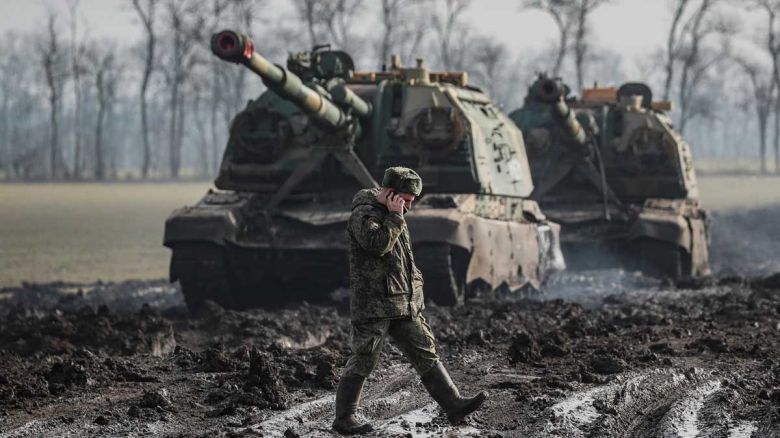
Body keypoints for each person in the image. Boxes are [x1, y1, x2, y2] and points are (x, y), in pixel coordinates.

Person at [332, 166, 488, 434]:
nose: (410, 205)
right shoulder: (365, 213)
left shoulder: (395, 213)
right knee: (364, 357)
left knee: (424, 350)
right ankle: (345, 418)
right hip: (375, 304)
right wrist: (394, 217)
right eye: (406, 199)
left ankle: (453, 403)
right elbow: (376, 244)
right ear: (391, 194)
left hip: (402, 302)